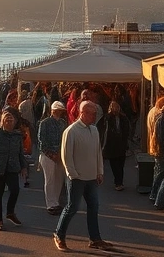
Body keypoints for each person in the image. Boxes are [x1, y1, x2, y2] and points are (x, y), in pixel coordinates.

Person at [53, 101, 113, 252]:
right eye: (92, 114)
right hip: (77, 178)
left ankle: (95, 239)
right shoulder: (71, 131)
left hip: (91, 177)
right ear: (83, 113)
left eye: (95, 113)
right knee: (72, 207)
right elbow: (66, 156)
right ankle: (59, 235)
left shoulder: (94, 130)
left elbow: (98, 152)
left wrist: (99, 171)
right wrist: (73, 174)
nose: (95, 116)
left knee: (93, 207)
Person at [0, 111, 29, 230]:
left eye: (11, 120)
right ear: (2, 121)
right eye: (7, 120)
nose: (9, 122)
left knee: (15, 190)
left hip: (12, 167)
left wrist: (24, 167)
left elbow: (20, 153)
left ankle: (10, 212)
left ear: (14, 122)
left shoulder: (17, 135)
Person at [38, 100, 69, 215]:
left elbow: (65, 139)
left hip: (60, 154)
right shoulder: (44, 123)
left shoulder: (63, 123)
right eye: (57, 110)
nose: (59, 112)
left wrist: (61, 153)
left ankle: (55, 201)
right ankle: (51, 204)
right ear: (53, 110)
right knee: (50, 179)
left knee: (59, 179)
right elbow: (42, 141)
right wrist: (51, 154)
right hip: (48, 155)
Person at [101, 100, 130, 191]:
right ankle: (118, 182)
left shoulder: (123, 118)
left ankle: (119, 181)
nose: (115, 109)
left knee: (121, 165)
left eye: (117, 107)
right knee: (114, 165)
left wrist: (125, 141)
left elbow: (127, 130)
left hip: (121, 145)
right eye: (113, 107)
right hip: (111, 146)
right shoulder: (107, 118)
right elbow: (103, 131)